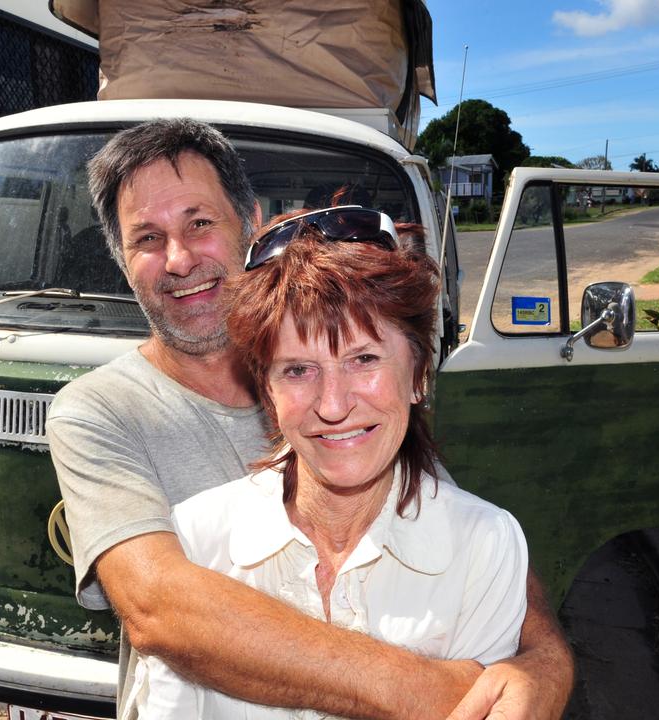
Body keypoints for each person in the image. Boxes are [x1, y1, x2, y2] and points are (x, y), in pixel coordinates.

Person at [47, 118, 573, 720]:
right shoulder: (98, 412)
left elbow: (450, 533)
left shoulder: (370, 402)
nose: (179, 258)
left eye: (199, 223)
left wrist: (543, 660)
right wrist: (443, 694)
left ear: (247, 226)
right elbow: (161, 609)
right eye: (146, 239)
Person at [126, 208, 530, 719]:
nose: (333, 405)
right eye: (297, 369)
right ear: (267, 393)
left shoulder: (487, 546)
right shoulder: (198, 537)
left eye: (364, 359)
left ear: (418, 376)